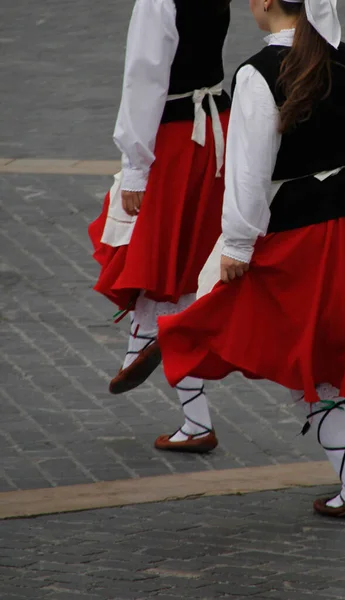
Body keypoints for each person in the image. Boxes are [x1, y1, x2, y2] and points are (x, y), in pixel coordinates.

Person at [145, 0, 345, 517]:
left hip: (310, 229)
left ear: (266, 2)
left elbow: (250, 169)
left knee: (314, 349)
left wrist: (236, 243)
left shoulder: (258, 73)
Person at [88, 0, 232, 454]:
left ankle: (146, 338)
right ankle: (191, 416)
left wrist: (135, 167)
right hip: (214, 132)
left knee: (151, 251)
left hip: (175, 137)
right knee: (180, 260)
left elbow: (144, 77)